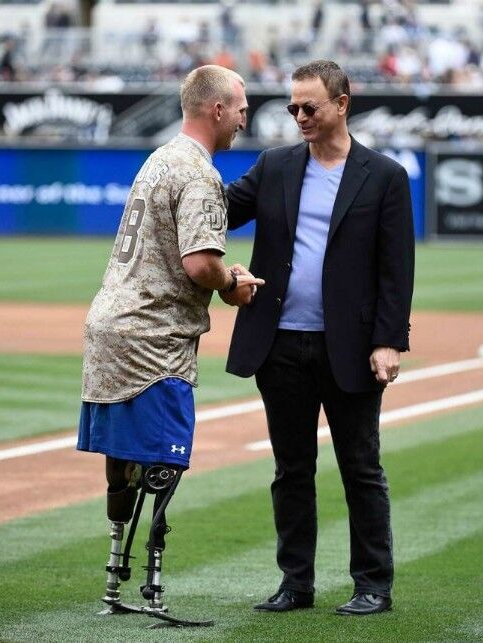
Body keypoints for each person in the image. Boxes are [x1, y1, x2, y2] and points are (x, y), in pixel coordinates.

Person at [225, 60, 414, 615]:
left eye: (310, 107)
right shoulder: (275, 165)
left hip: (350, 347)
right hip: (279, 343)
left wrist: (389, 340)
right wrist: (183, 165)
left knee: (361, 468)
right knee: (291, 470)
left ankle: (373, 585)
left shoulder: (383, 175)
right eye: (292, 109)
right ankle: (296, 583)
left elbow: (395, 271)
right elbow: (218, 211)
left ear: (342, 103)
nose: (300, 117)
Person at [77, 64, 264, 617]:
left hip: (109, 325)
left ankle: (114, 582)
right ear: (216, 110)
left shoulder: (160, 157)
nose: (245, 117)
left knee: (121, 465)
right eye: (242, 107)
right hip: (154, 338)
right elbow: (202, 262)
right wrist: (234, 283)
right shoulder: (200, 173)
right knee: (165, 462)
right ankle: (151, 588)